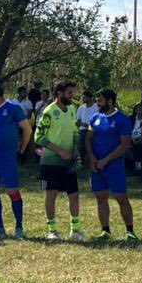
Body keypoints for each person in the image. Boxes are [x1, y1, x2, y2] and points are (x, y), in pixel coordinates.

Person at [0, 81, 31, 238]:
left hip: (7, 156)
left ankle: (19, 227)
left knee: (12, 191)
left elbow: (27, 130)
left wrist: (21, 150)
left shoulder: (13, 108)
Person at [36, 80, 84, 241]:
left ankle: (75, 230)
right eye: (69, 93)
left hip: (69, 161)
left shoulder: (72, 109)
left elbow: (75, 131)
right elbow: (38, 137)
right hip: (50, 162)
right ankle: (52, 230)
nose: (72, 96)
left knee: (74, 195)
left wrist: (75, 148)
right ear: (59, 93)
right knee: (51, 194)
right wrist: (59, 150)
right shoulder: (48, 111)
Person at [87, 88, 136, 241]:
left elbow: (125, 144)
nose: (97, 104)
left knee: (121, 197)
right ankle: (105, 230)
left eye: (100, 101)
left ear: (110, 101)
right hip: (97, 166)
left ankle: (130, 231)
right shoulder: (95, 118)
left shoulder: (122, 119)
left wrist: (106, 160)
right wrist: (92, 158)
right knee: (101, 197)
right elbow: (88, 139)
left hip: (114, 166)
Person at [76, 91, 98, 166]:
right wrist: (85, 125)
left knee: (92, 146)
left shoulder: (96, 107)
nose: (82, 99)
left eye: (84, 97)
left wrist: (89, 126)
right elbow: (78, 120)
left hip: (93, 129)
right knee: (82, 146)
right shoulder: (81, 107)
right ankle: (82, 163)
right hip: (83, 130)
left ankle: (92, 162)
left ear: (89, 97)